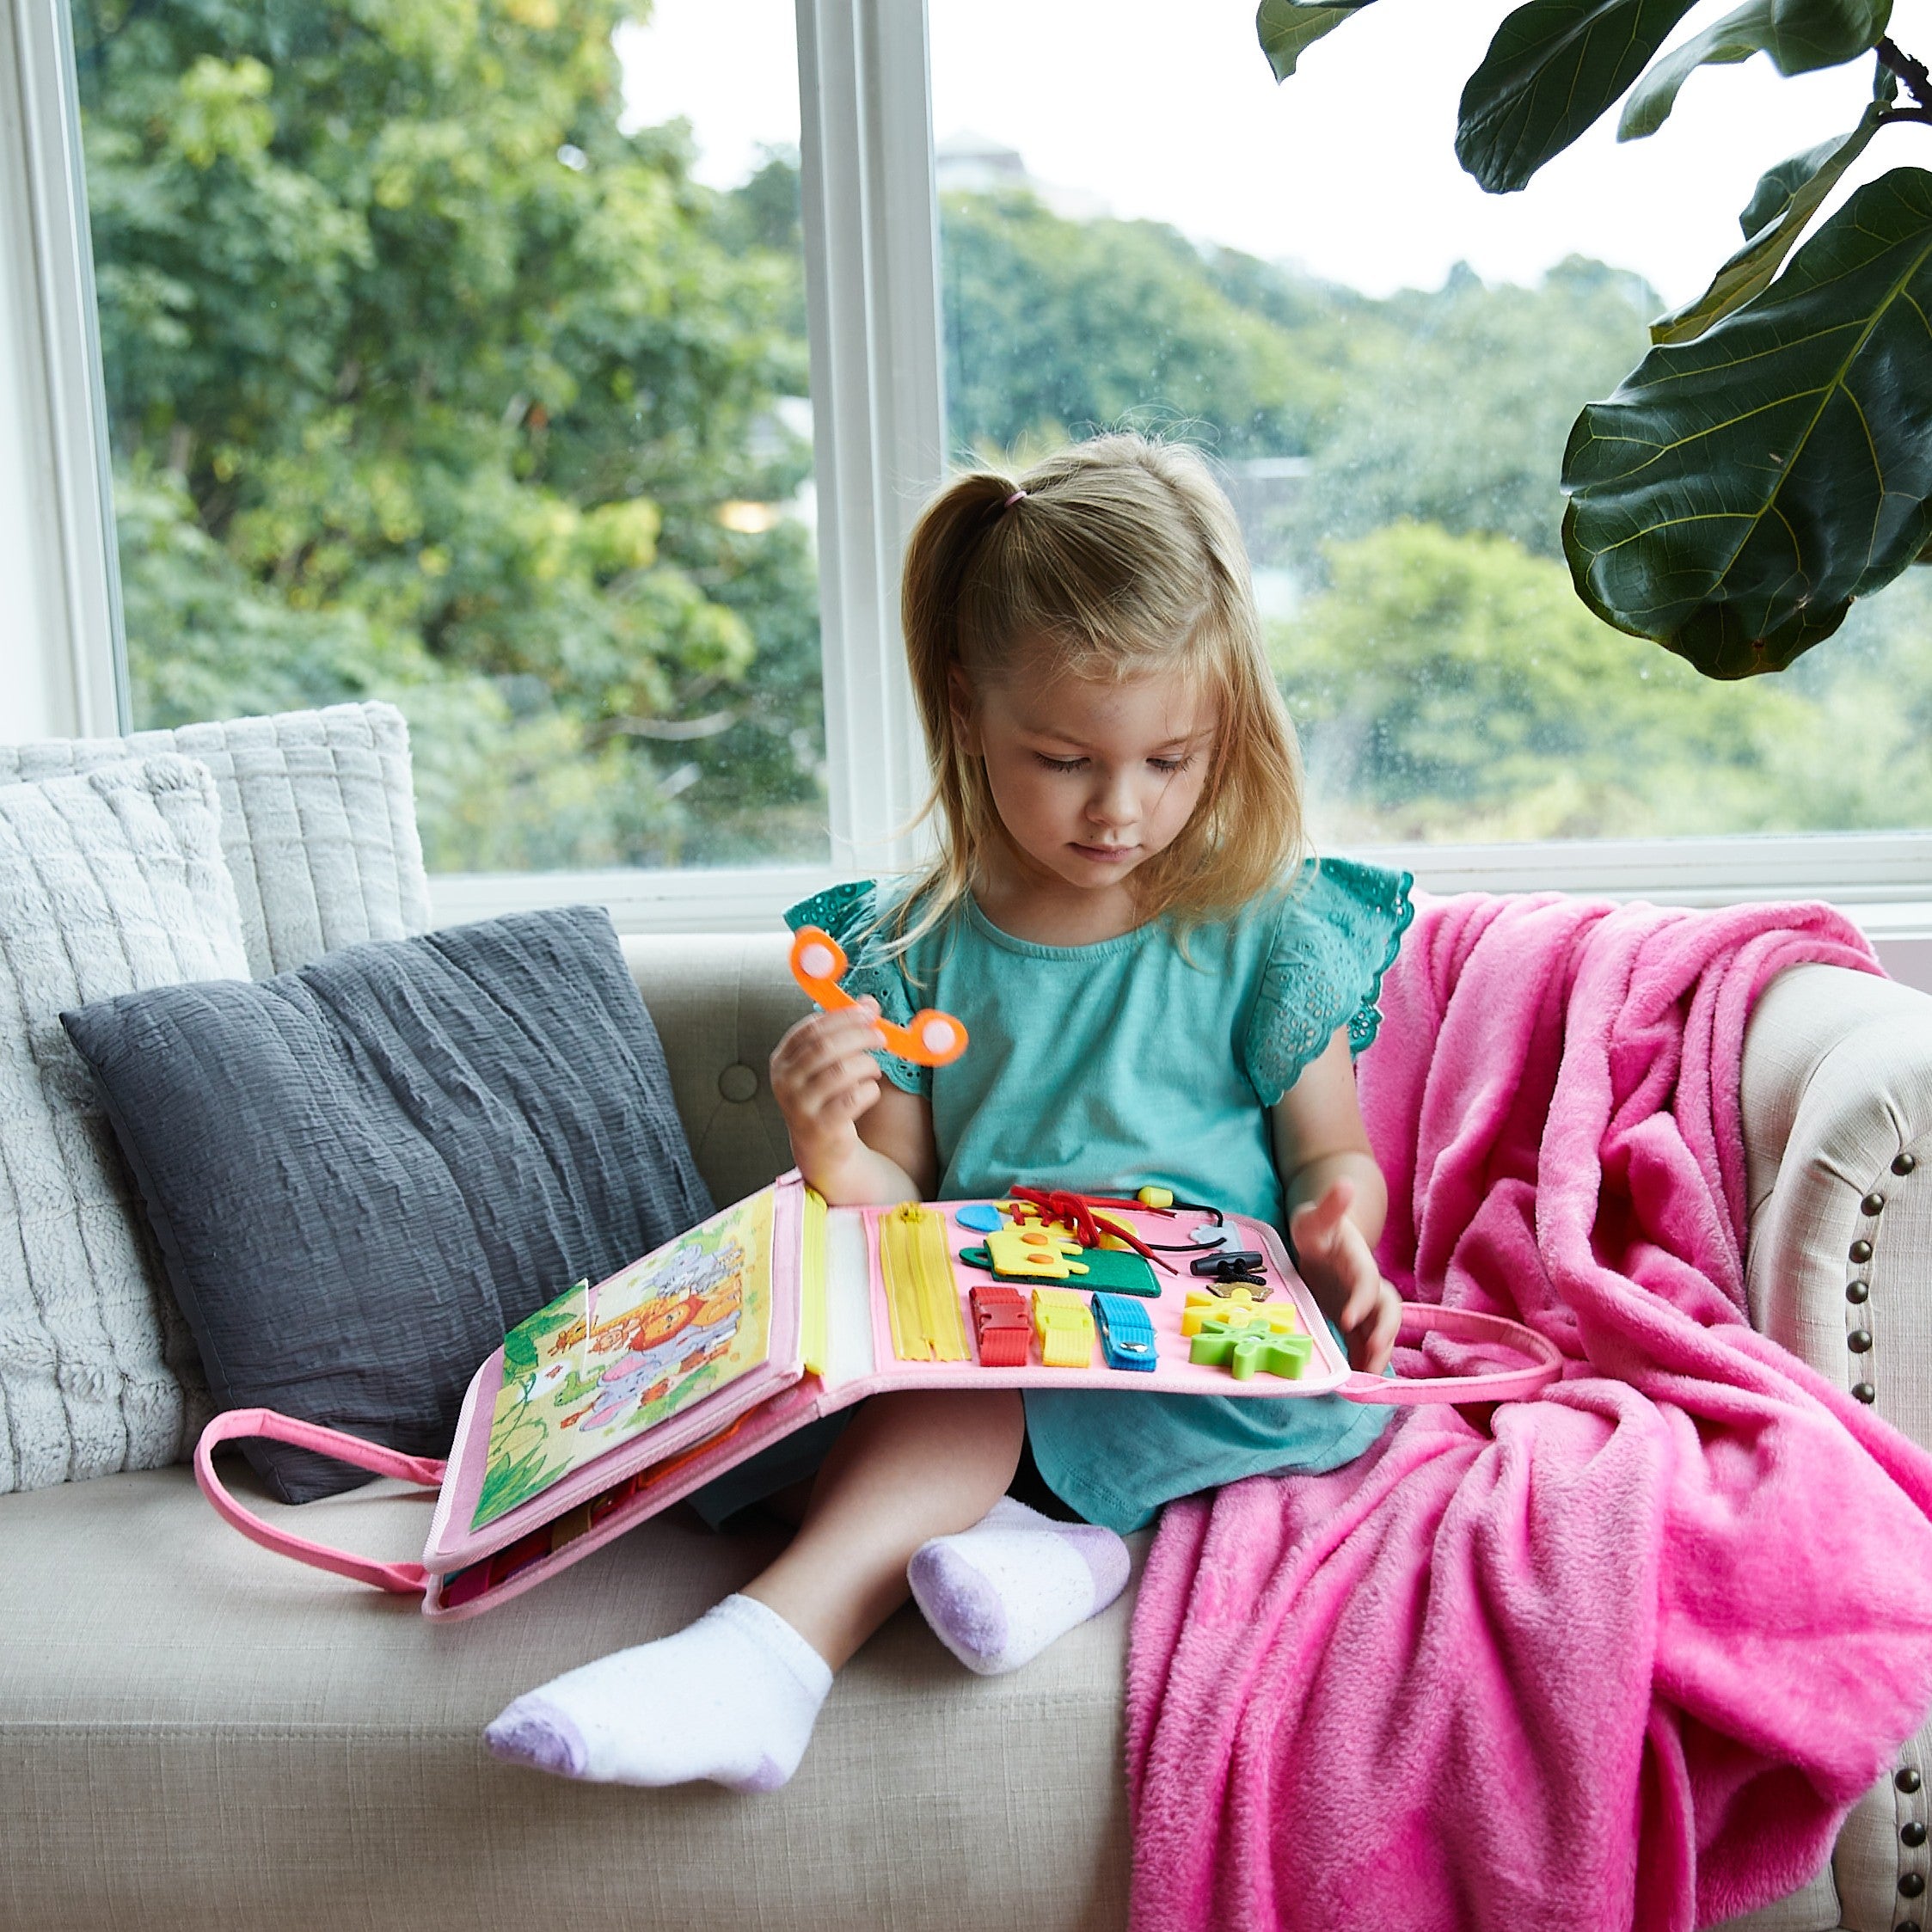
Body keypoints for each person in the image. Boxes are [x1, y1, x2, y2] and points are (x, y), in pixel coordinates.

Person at [485, 433, 1411, 1791]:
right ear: (968, 709)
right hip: (991, 1339)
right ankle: (1056, 1552)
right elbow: (894, 1220)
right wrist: (827, 1143)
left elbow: (1332, 1150)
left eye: (1172, 759)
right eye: (1064, 759)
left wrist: (1344, 1223)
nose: (1121, 808)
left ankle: (768, 1659)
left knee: (963, 1414)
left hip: (1207, 1365)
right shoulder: (915, 946)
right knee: (902, 1400)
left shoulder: (1264, 927)